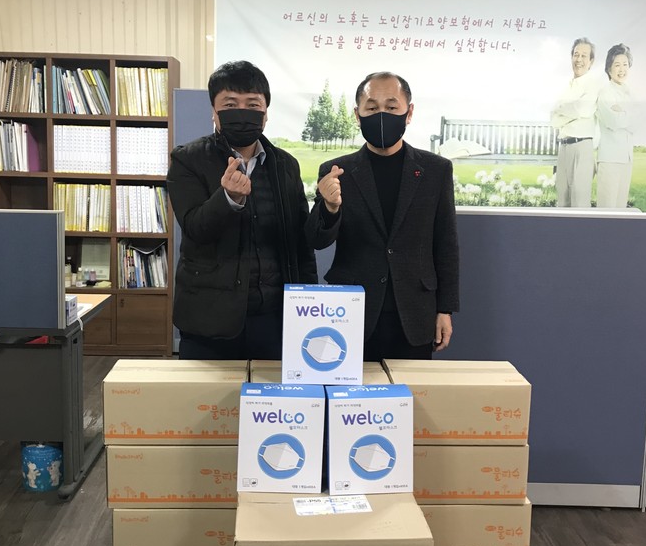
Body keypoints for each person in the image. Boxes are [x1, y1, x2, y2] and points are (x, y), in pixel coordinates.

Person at [167, 60, 317, 359]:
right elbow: (195, 228)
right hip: (209, 319)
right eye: (230, 104)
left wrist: (308, 305)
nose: (242, 112)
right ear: (214, 111)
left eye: (252, 104)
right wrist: (228, 198)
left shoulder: (285, 164)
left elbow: (301, 242)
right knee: (206, 392)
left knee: (272, 390)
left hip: (275, 318)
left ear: (266, 113)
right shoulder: (188, 159)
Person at [306, 71, 459, 360]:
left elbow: (446, 243)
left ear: (408, 112)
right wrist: (330, 207)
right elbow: (316, 240)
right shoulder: (336, 170)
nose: (381, 115)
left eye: (391, 107)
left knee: (411, 388)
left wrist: (445, 309)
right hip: (351, 312)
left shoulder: (435, 170)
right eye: (372, 107)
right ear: (357, 114)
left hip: (415, 311)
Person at [551, 37, 600, 207]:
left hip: (582, 147)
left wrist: (563, 109)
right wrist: (569, 110)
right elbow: (554, 119)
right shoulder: (567, 85)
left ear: (591, 61)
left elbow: (582, 109)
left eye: (584, 56)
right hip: (563, 147)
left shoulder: (593, 84)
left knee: (580, 204)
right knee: (562, 201)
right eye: (576, 55)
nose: (579, 59)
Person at [596, 43, 634, 208]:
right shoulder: (606, 92)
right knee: (607, 209)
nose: (622, 69)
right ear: (609, 68)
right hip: (610, 159)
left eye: (625, 64)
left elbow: (639, 123)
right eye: (617, 65)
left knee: (621, 210)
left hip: (627, 158)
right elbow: (613, 122)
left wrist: (623, 112)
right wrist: (629, 114)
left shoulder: (629, 93)